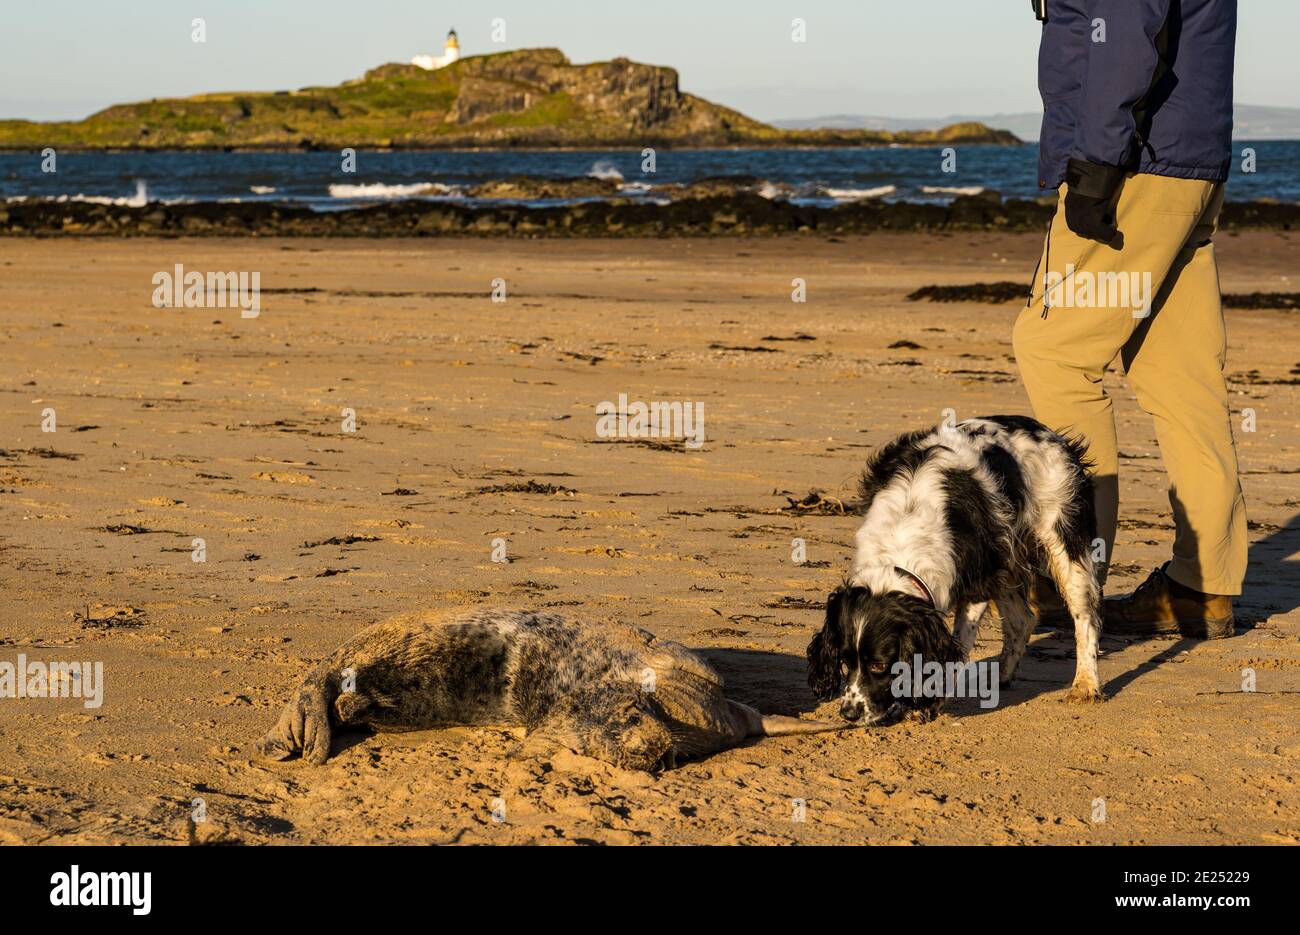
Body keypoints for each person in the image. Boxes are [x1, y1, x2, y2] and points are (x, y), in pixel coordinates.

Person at [1013, 0, 1244, 639]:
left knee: (1055, 351)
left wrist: (1096, 162)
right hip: (1188, 160)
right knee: (1182, 377)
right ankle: (1202, 585)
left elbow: (1122, 26)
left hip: (1134, 166)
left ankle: (1067, 576)